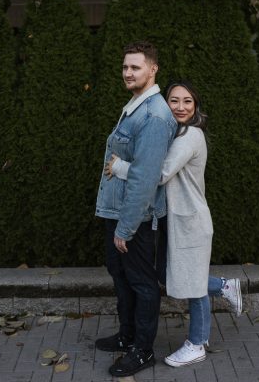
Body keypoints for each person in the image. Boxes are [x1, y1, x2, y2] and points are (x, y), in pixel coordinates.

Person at [106, 79, 243, 368]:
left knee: (192, 285)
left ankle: (197, 344)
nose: (180, 107)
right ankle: (222, 286)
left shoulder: (191, 136)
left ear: (196, 106)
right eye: (174, 100)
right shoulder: (174, 133)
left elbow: (159, 174)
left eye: (187, 101)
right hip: (174, 220)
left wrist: (118, 167)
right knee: (168, 277)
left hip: (191, 222)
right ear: (165, 103)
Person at [94, 41, 177, 377]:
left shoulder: (155, 115)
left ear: (152, 69)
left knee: (142, 284)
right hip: (117, 212)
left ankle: (142, 351)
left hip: (136, 219)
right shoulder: (135, 104)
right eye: (125, 67)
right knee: (121, 278)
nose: (128, 73)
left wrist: (126, 228)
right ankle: (127, 336)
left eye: (135, 67)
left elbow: (144, 179)